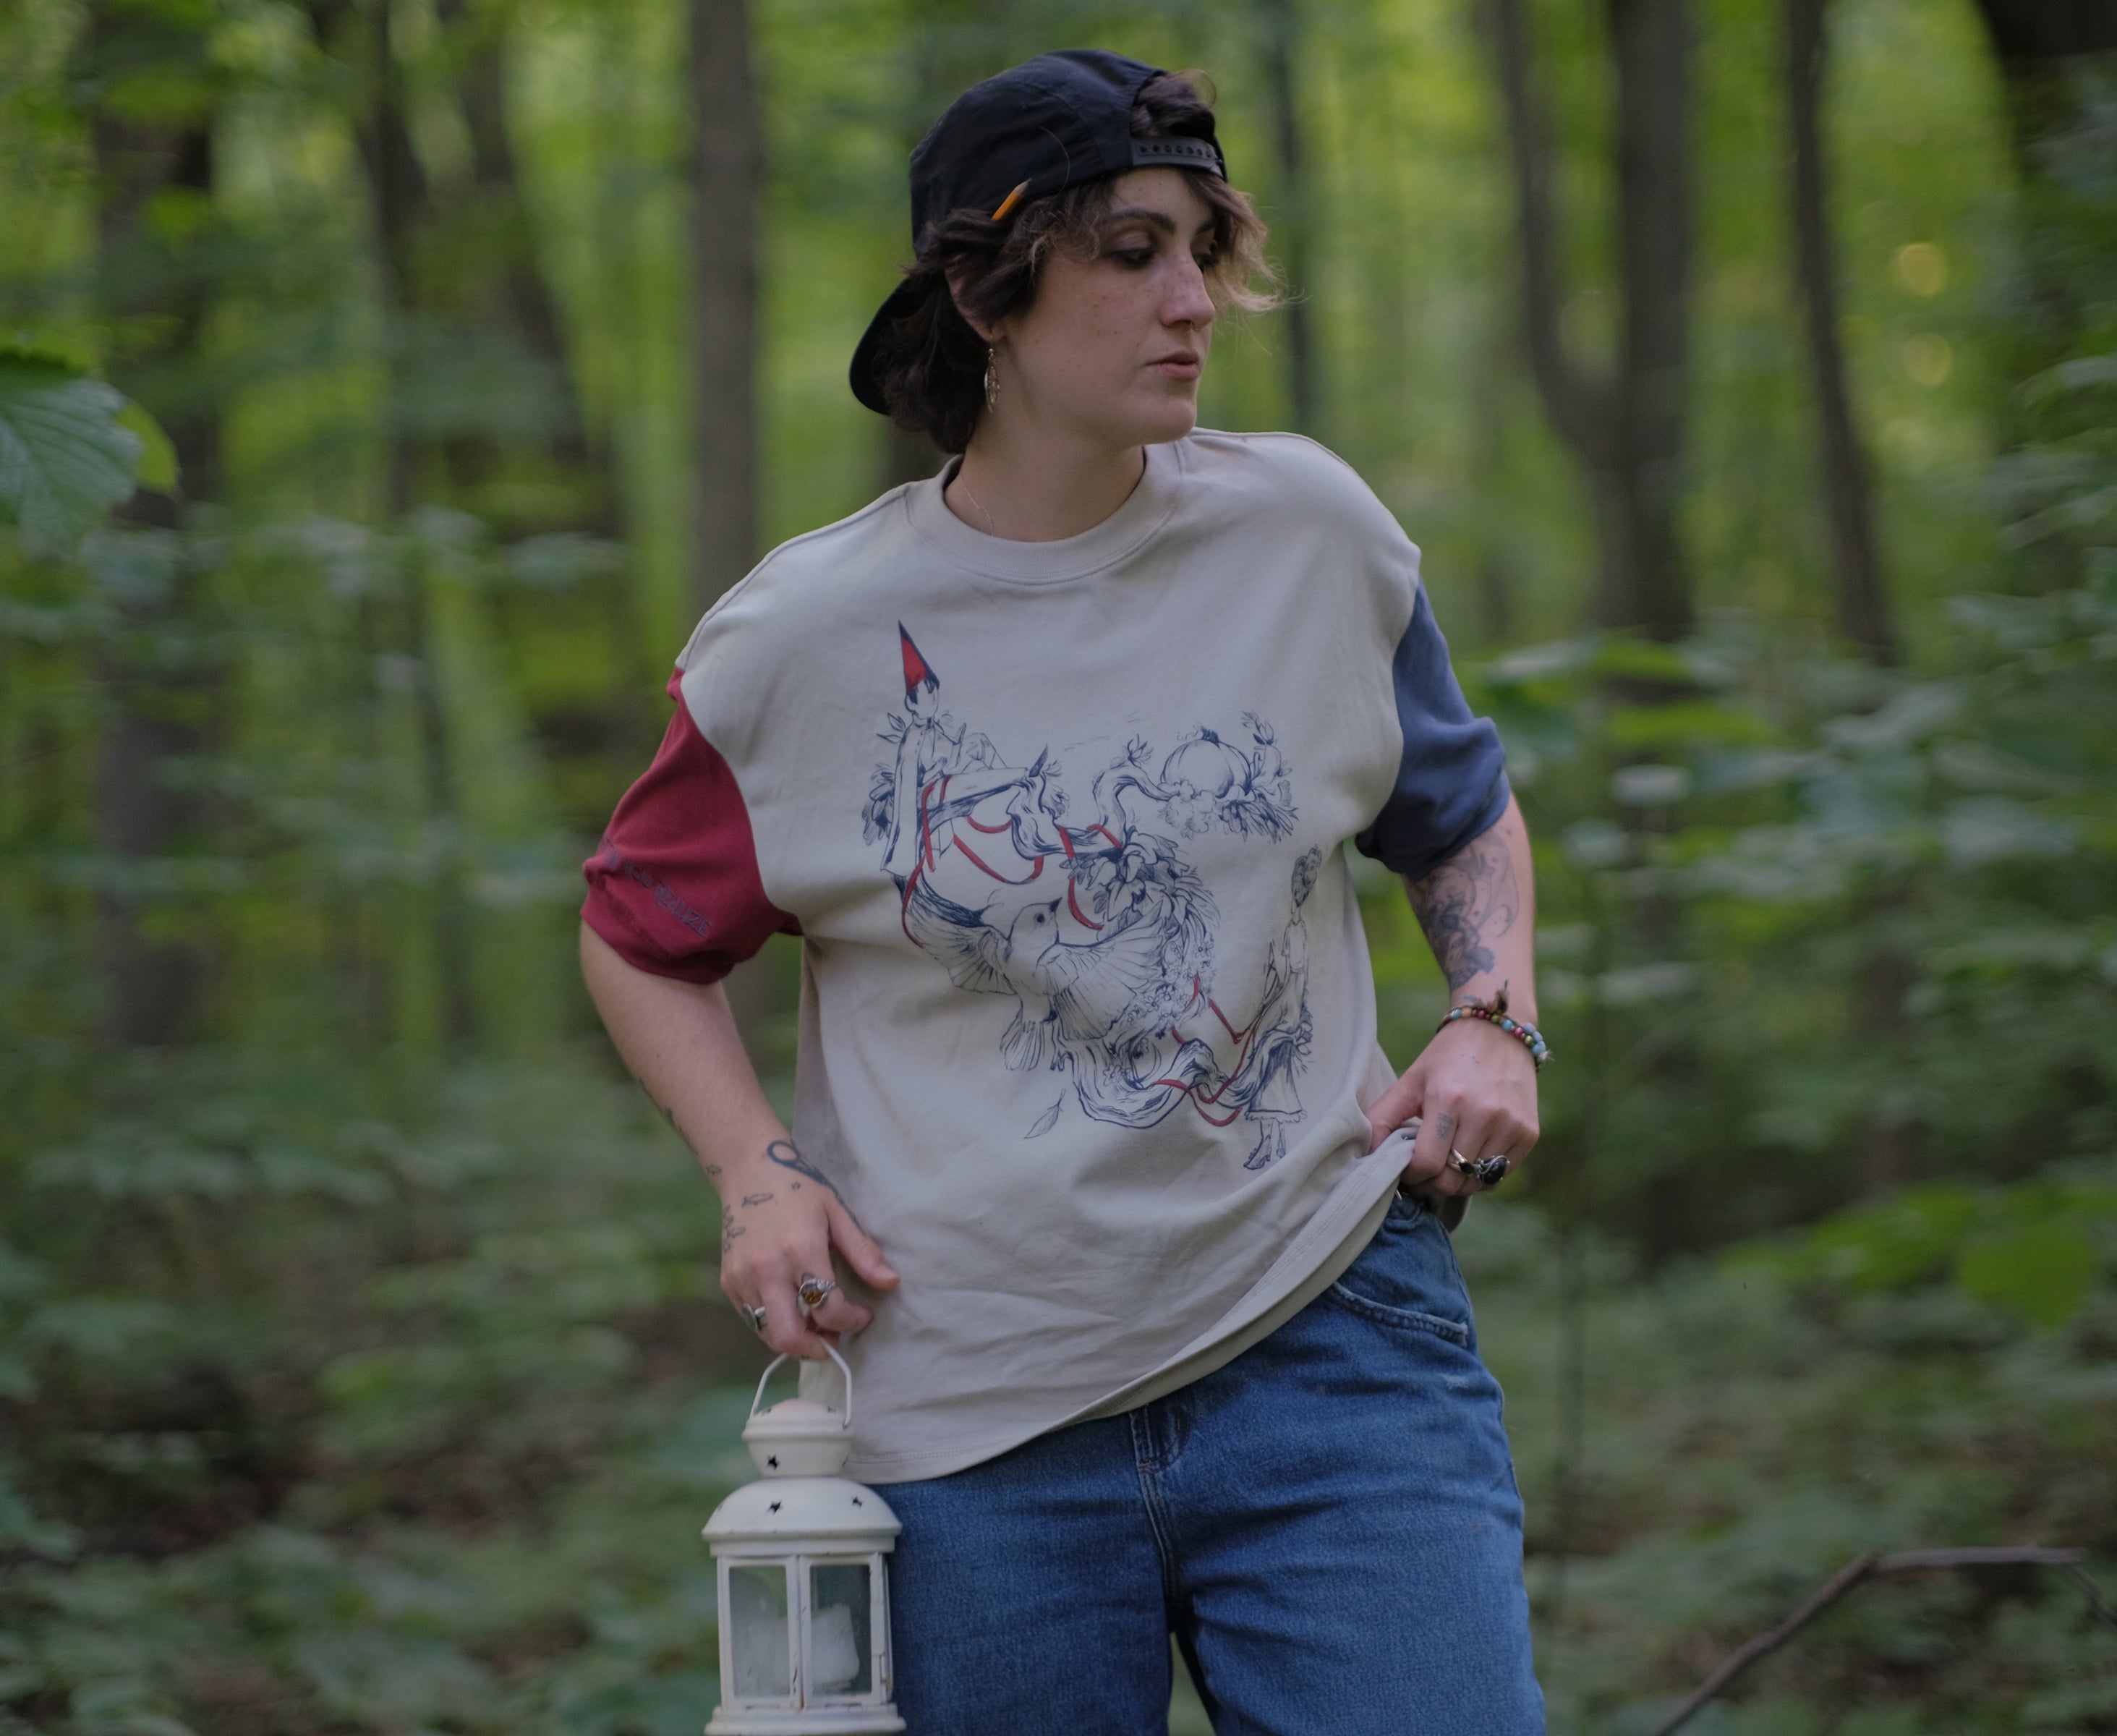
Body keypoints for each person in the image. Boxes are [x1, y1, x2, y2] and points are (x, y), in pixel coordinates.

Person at [579, 48, 1549, 1736]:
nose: (1192, 300)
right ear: (983, 293)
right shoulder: (800, 644)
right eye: (1128, 253)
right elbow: (638, 939)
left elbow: (1456, 809)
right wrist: (754, 1177)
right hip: (970, 1411)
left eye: (1202, 247)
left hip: (1334, 1334)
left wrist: (1496, 1019)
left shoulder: (1308, 538)